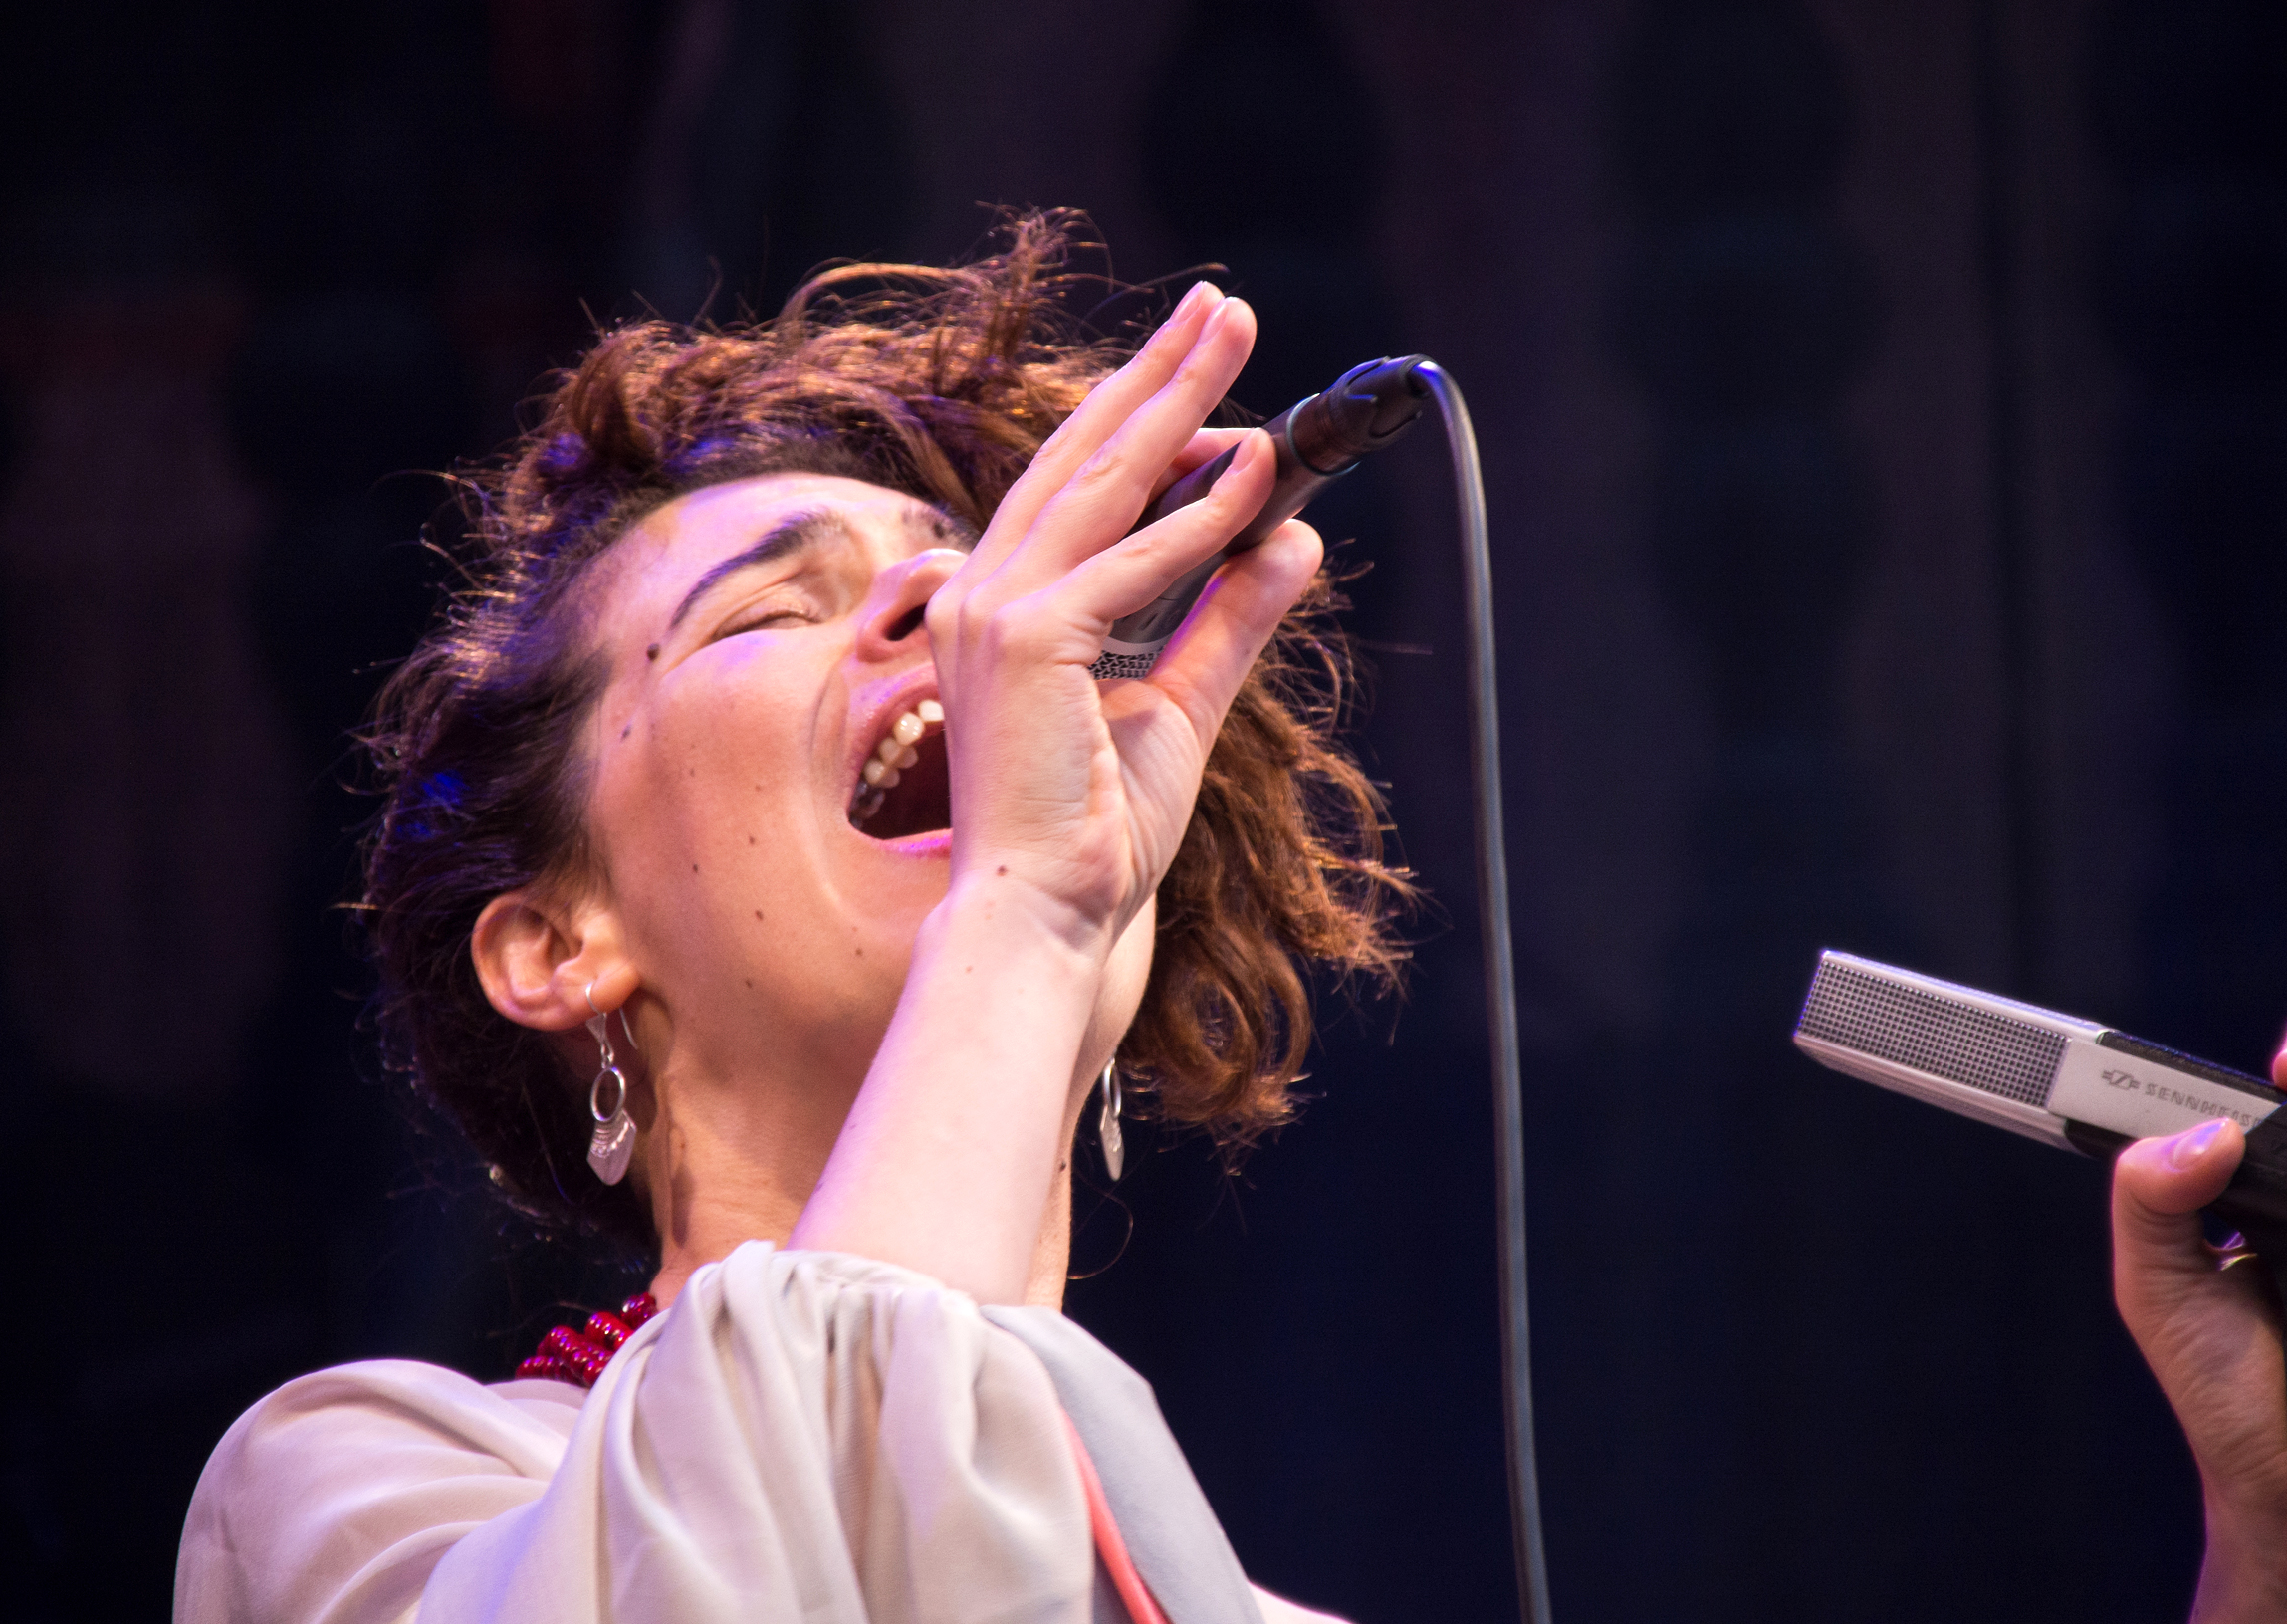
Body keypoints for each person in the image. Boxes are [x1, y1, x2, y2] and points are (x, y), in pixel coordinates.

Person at [177, 217, 2287, 1623]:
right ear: (554, 944)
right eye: (769, 610)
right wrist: (1018, 904)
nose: (942, 605)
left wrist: (2264, 1511)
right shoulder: (367, 1501)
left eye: (957, 574)